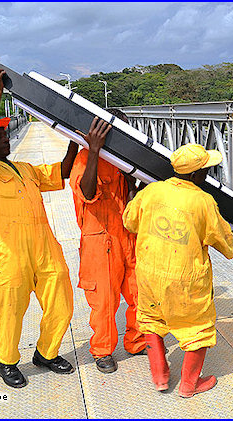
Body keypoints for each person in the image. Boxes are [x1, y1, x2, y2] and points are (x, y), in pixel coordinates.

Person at [0, 63, 79, 388]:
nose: (5, 136)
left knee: (62, 303)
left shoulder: (25, 169)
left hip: (44, 251)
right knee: (10, 312)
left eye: (5, 132)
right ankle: (7, 361)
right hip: (10, 255)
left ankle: (45, 352)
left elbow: (63, 171)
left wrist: (76, 138)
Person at [123, 143, 233, 398]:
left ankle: (160, 377)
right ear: (195, 175)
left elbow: (129, 221)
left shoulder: (152, 191)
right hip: (186, 278)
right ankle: (189, 384)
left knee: (151, 319)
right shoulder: (203, 201)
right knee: (198, 327)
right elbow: (225, 246)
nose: (208, 174)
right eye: (206, 169)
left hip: (150, 272)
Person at [69, 109, 146, 374]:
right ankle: (102, 350)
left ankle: (136, 341)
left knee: (138, 292)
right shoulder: (84, 159)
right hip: (100, 240)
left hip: (127, 235)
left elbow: (130, 191)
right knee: (104, 301)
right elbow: (88, 191)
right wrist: (94, 150)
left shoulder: (121, 161)